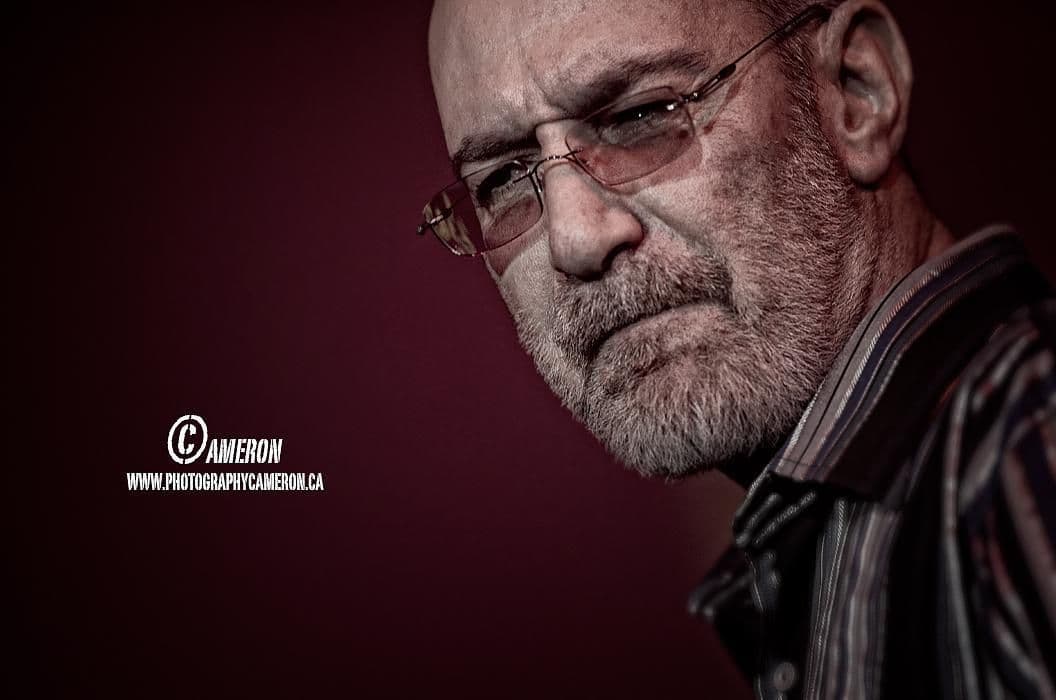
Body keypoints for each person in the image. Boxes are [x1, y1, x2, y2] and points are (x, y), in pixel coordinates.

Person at [418, 0, 1056, 697]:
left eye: (642, 114)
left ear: (857, 93)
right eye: (502, 181)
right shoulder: (866, 529)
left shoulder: (1031, 444)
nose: (573, 240)